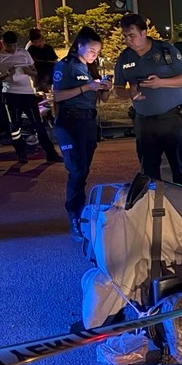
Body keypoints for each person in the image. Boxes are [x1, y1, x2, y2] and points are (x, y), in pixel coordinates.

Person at [113, 13, 182, 185]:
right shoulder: (125, 57)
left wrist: (161, 83)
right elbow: (117, 91)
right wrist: (130, 93)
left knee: (180, 171)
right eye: (125, 36)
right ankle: (154, 209)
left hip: (171, 121)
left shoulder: (165, 50)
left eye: (132, 36)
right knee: (148, 175)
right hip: (144, 124)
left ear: (143, 32)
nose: (128, 40)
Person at [53, 26, 110, 241]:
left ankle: (81, 211)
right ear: (79, 46)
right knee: (76, 170)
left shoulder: (91, 69)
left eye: (98, 52)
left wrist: (105, 87)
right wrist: (87, 87)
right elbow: (57, 96)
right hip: (69, 122)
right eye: (92, 50)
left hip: (88, 122)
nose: (95, 55)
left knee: (83, 170)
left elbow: (102, 100)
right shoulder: (65, 66)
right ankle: (74, 214)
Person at [0, 30, 60, 164]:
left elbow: (34, 72)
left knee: (38, 123)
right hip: (10, 94)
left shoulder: (24, 53)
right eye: (9, 46)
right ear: (3, 44)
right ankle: (21, 153)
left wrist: (28, 71)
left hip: (27, 93)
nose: (12, 49)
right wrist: (7, 73)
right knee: (15, 125)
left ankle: (50, 153)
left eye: (14, 46)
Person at [27, 28, 58, 92]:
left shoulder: (48, 48)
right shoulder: (31, 49)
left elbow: (55, 60)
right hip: (37, 73)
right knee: (39, 91)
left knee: (47, 89)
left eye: (38, 41)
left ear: (42, 40)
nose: (36, 44)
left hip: (48, 72)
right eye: (34, 42)